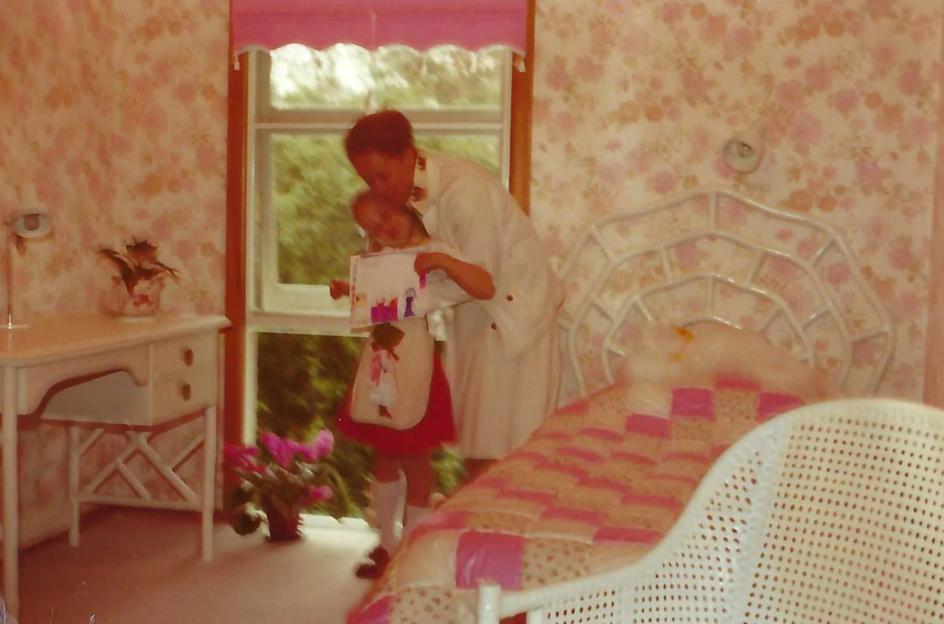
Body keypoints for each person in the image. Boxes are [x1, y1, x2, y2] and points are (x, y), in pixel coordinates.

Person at [344, 110, 563, 480]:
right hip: (476, 315)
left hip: (515, 320)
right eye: (368, 180)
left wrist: (429, 269)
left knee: (509, 454)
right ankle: (475, 531)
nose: (378, 188)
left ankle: (502, 531)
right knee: (476, 446)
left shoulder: (463, 191)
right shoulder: (409, 202)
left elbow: (483, 281)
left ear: (407, 154)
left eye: (382, 175)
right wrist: (375, 295)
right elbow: (428, 276)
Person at [332, 189, 495, 578]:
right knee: (385, 454)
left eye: (387, 214)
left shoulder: (433, 249)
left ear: (404, 205)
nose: (384, 227)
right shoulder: (378, 258)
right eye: (372, 226)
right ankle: (386, 543)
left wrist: (437, 264)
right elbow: (377, 299)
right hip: (380, 361)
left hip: (415, 363)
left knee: (417, 457)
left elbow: (457, 288)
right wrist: (348, 288)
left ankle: (416, 546)